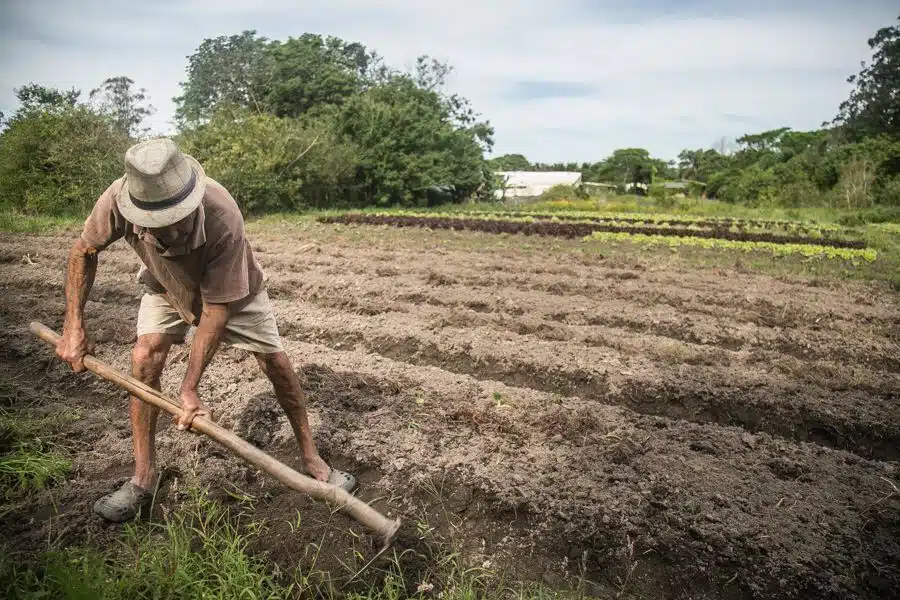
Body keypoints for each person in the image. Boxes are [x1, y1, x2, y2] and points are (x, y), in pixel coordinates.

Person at [55, 137, 355, 522]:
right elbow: (83, 251)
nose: (171, 233)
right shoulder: (116, 200)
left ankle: (314, 461)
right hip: (164, 285)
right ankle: (143, 478)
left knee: (275, 363)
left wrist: (189, 388)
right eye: (158, 225)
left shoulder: (222, 214)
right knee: (144, 357)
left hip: (233, 293)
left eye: (177, 220)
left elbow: (215, 313)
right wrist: (73, 325)